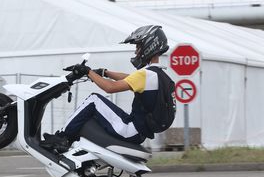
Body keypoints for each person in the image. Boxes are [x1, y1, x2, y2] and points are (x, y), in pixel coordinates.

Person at [41, 25, 171, 152]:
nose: (136, 51)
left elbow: (110, 87)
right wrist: (104, 72)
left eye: (138, 46)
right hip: (139, 131)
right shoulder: (157, 74)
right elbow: (129, 78)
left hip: (130, 129)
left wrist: (87, 71)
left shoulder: (146, 74)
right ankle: (74, 140)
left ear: (149, 46)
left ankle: (63, 138)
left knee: (94, 100)